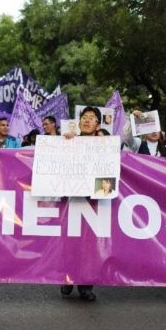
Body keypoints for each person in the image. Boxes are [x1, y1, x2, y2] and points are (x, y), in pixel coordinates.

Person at [59, 106, 101, 302]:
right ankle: (68, 277)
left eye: (92, 118)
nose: (87, 120)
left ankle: (86, 285)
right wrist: (65, 143)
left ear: (98, 124)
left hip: (94, 201)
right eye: (84, 117)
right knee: (71, 240)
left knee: (90, 244)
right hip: (71, 198)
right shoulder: (69, 141)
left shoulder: (105, 145)